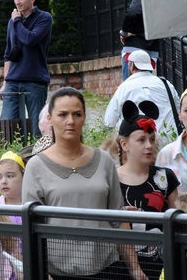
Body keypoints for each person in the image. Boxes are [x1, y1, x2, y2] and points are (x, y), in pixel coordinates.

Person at [22, 87, 145, 279]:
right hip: (57, 272)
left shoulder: (104, 161)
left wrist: (134, 267)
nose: (70, 121)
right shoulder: (36, 167)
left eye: (77, 114)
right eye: (63, 114)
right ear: (50, 118)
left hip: (107, 268)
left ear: (84, 117)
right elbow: (31, 229)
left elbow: (118, 219)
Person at [116, 100, 179, 279]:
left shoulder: (166, 177)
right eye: (141, 140)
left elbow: (177, 220)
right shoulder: (112, 180)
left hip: (165, 266)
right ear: (124, 144)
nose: (149, 145)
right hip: (122, 268)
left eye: (151, 139)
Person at [0, 0, 53, 138]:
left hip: (34, 80)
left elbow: (30, 39)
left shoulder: (44, 18)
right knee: (6, 126)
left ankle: (36, 160)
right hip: (13, 81)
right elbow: (8, 52)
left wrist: (16, 21)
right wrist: (5, 82)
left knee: (38, 127)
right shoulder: (13, 21)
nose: (17, 2)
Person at [104, 49, 180, 144]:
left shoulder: (123, 88)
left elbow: (109, 122)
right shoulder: (166, 84)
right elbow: (179, 110)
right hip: (169, 142)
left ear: (131, 66)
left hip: (138, 145)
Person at [121, 0, 159, 80]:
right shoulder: (156, 2)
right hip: (151, 53)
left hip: (133, 51)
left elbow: (132, 12)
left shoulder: (138, 0)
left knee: (130, 88)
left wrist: (124, 32)